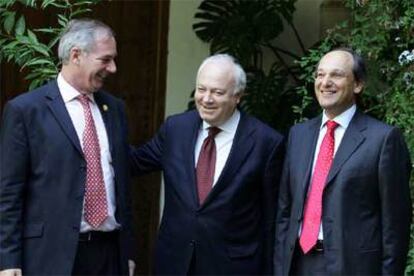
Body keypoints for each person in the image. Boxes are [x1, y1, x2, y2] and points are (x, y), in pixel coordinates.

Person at [0, 19, 136, 275]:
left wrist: (127, 252)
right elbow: (9, 193)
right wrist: (8, 261)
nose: (113, 68)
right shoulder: (26, 110)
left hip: (109, 254)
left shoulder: (115, 109)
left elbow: (123, 187)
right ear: (76, 55)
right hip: (51, 256)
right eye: (105, 60)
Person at [130, 54, 284, 275]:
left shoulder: (266, 142)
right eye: (201, 89)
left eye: (217, 92)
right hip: (174, 263)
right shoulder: (176, 129)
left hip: (234, 267)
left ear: (237, 96)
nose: (206, 99)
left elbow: (272, 219)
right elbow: (134, 162)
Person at [274, 48, 412, 275]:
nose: (325, 82)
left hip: (353, 267)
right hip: (298, 263)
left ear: (358, 84)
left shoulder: (383, 139)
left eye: (336, 75)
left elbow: (395, 226)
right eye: (320, 75)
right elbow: (284, 212)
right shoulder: (298, 135)